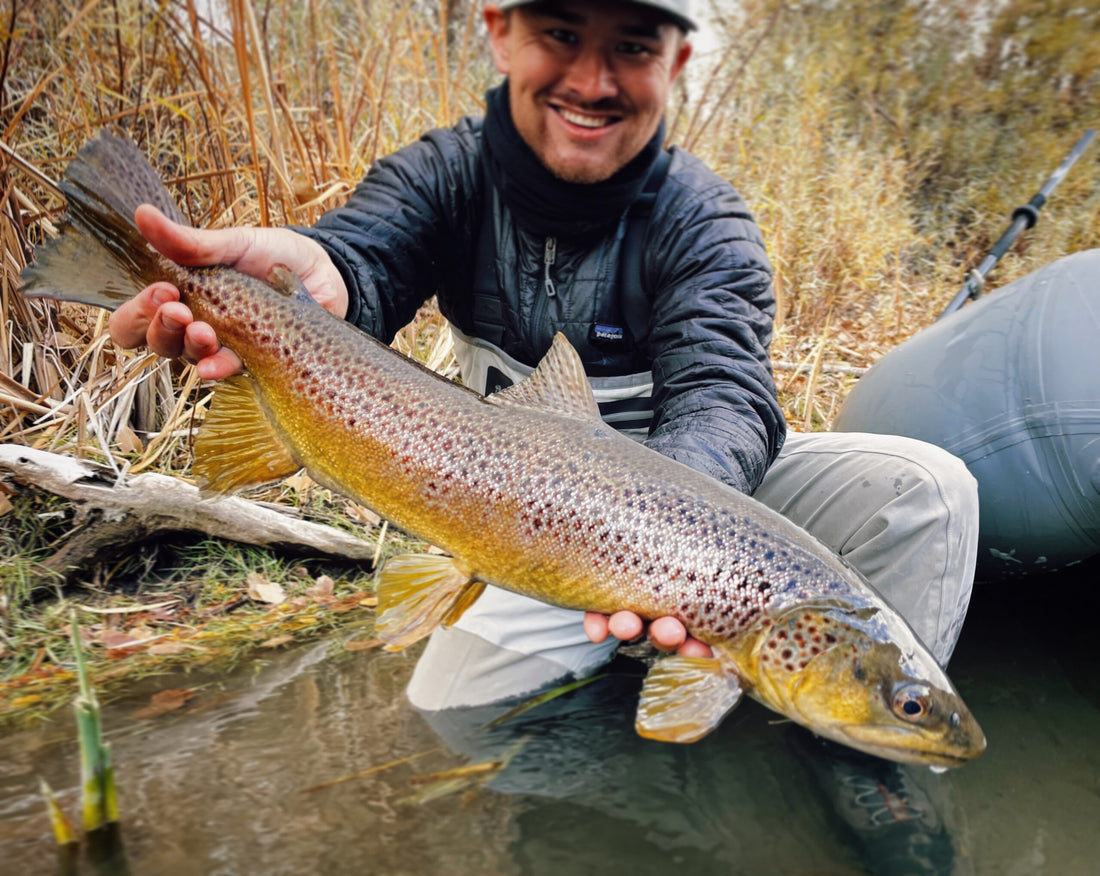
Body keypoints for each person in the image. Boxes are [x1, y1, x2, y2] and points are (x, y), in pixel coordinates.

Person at [111, 0, 977, 720]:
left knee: (931, 491)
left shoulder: (705, 220)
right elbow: (360, 257)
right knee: (452, 723)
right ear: (500, 32)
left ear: (674, 66)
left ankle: (858, 749)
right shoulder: (441, 174)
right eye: (562, 32)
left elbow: (726, 392)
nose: (593, 82)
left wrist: (667, 543)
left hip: (707, 521)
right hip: (501, 511)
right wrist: (316, 273)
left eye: (631, 47)